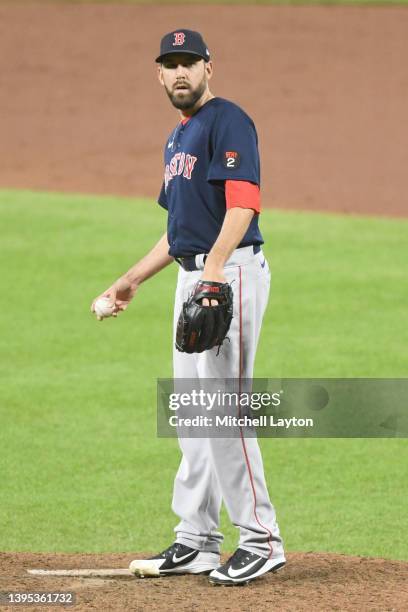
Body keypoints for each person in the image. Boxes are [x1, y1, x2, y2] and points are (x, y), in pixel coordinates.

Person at [91, 29, 285, 586]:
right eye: (170, 65)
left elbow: (243, 201)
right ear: (158, 74)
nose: (180, 73)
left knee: (224, 410)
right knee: (194, 415)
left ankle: (261, 540)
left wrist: (216, 270)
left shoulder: (228, 120)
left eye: (189, 63)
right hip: (193, 274)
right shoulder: (176, 140)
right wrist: (130, 280)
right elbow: (177, 232)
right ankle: (197, 540)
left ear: (208, 68)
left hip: (231, 273)